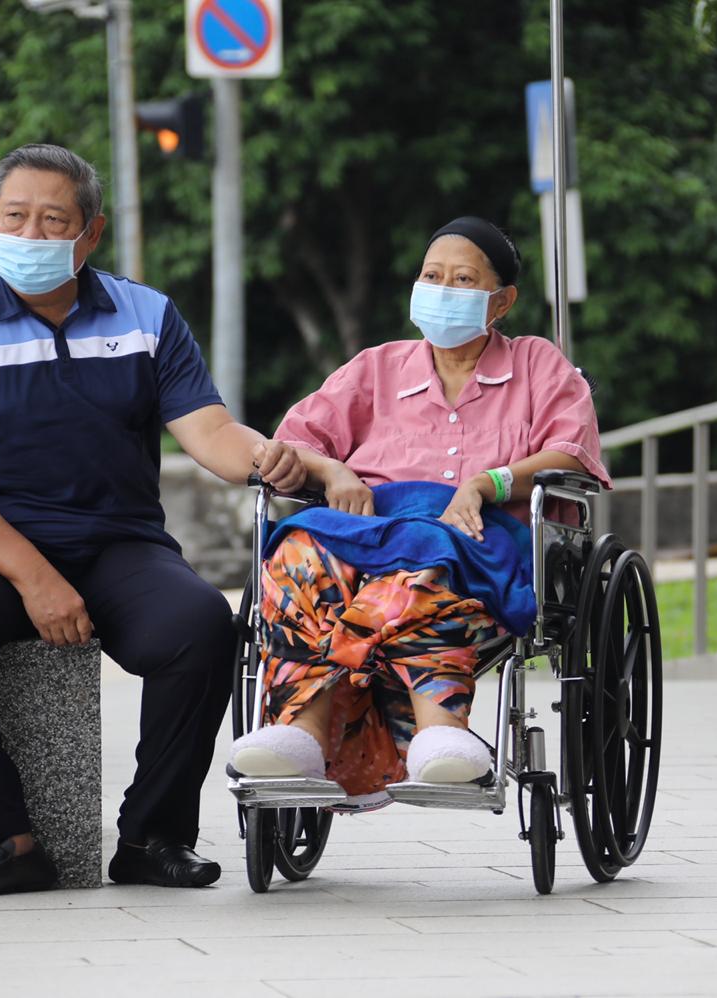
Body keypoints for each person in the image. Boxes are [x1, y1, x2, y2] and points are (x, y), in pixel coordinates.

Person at [0, 143, 306, 895]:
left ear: (92, 233)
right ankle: (2, 841)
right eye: (15, 217)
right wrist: (36, 578)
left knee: (202, 622)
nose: (32, 234)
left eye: (54, 221)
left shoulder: (148, 316)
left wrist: (269, 457)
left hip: (118, 541)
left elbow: (209, 430)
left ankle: (153, 835)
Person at [229, 216, 610, 807]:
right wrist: (333, 470)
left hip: (478, 538)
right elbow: (295, 442)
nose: (442, 289)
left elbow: (573, 451)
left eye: (463, 280)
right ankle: (300, 735)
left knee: (429, 556)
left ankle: (439, 731)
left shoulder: (538, 364)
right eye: (432, 276)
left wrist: (490, 481)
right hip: (368, 532)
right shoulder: (377, 368)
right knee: (298, 549)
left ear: (501, 300)